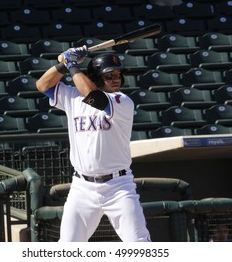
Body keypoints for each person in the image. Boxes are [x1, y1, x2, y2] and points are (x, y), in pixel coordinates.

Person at [35, 47, 151, 242]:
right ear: (96, 78)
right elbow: (42, 85)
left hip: (118, 187)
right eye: (109, 75)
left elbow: (94, 98)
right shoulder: (73, 97)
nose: (116, 79)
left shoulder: (122, 101)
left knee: (138, 245)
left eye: (118, 74)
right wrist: (63, 65)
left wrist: (72, 64)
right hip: (82, 187)